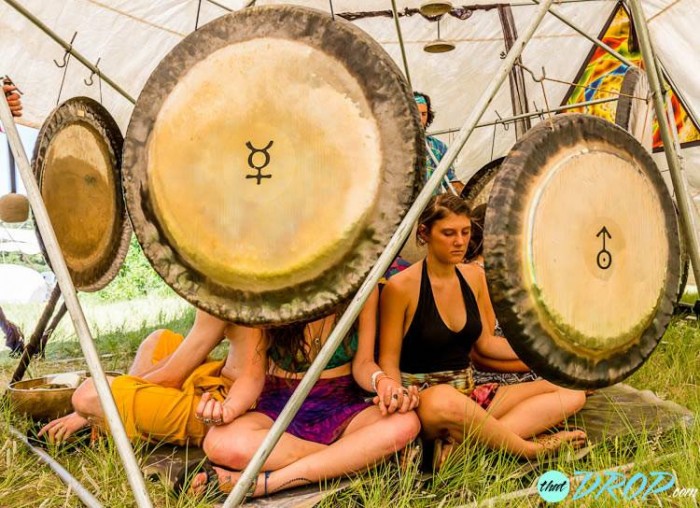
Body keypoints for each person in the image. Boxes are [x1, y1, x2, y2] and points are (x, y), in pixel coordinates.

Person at [379, 194, 586, 462]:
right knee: (445, 399)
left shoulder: (475, 277)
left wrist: (547, 351)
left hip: (470, 391)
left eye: (465, 232)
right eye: (449, 233)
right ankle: (528, 449)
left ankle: (462, 451)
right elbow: (388, 359)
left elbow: (487, 343)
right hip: (428, 400)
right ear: (424, 233)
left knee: (571, 393)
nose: (460, 241)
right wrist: (398, 399)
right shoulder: (400, 287)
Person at [184, 288, 421, 498]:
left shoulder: (364, 288)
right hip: (279, 407)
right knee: (218, 443)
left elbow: (364, 364)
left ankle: (264, 484)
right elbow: (252, 376)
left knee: (405, 423)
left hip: (340, 406)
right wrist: (228, 409)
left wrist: (381, 381)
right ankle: (355, 459)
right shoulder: (264, 293)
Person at [38, 309, 264, 447]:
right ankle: (115, 415)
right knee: (160, 340)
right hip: (217, 378)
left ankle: (109, 420)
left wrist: (85, 415)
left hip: (224, 409)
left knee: (88, 396)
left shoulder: (229, 283)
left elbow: (171, 378)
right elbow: (180, 363)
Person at [464, 203, 539, 385]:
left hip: (513, 363)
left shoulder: (502, 275)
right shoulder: (474, 273)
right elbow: (479, 356)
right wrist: (542, 361)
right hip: (487, 375)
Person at [414, 91, 463, 195]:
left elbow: (450, 180)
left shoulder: (439, 147)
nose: (420, 119)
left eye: (423, 114)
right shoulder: (395, 148)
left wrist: (465, 192)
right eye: (415, 113)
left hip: (432, 208)